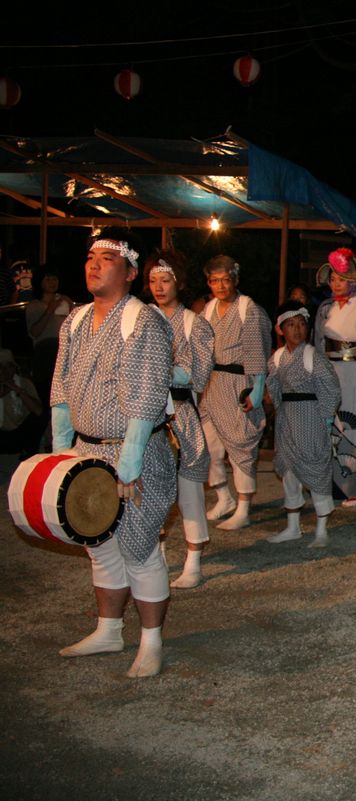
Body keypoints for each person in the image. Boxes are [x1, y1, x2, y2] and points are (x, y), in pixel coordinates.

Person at [51, 229, 175, 678]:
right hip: (87, 449)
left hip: (134, 451)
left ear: (129, 270)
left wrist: (131, 461)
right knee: (99, 545)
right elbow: (61, 386)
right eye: (90, 257)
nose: (94, 264)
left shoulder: (145, 321)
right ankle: (108, 629)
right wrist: (61, 448)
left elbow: (146, 396)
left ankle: (151, 640)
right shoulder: (75, 319)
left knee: (139, 548)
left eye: (106, 257)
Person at [144, 250, 215, 589]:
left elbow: (198, 375)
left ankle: (193, 559)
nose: (159, 287)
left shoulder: (194, 323)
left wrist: (162, 371)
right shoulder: (141, 318)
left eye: (166, 280)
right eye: (153, 280)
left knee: (188, 485)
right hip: (145, 412)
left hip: (180, 413)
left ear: (180, 282)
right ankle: (154, 555)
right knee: (149, 487)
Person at [198, 255, 271, 530]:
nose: (220, 286)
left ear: (236, 280)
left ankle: (243, 506)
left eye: (225, 280)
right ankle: (223, 497)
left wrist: (257, 390)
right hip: (212, 383)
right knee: (209, 445)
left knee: (241, 445)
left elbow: (257, 353)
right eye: (214, 280)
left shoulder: (248, 309)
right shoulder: (208, 309)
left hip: (239, 383)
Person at [264, 301, 342, 547]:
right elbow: (274, 389)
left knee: (316, 469)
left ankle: (321, 529)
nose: (297, 330)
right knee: (289, 470)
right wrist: (280, 411)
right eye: (290, 325)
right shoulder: (277, 358)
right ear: (280, 329)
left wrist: (326, 418)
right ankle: (293, 526)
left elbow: (331, 389)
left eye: (301, 325)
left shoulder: (313, 357)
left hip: (311, 416)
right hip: (287, 418)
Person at [312, 248, 356, 507]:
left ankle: (353, 486)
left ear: (352, 281)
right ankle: (330, 483)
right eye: (333, 279)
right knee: (330, 428)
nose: (335, 283)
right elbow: (318, 342)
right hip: (331, 372)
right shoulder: (326, 309)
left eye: (341, 279)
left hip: (355, 374)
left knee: (354, 429)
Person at [25, 265, 72, 419]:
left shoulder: (63, 302)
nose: (52, 282)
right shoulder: (34, 306)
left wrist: (70, 308)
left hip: (64, 353)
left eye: (55, 279)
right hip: (45, 355)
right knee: (47, 400)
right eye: (48, 279)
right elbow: (35, 332)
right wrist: (50, 309)